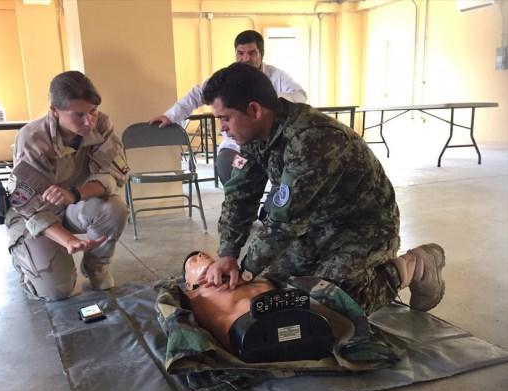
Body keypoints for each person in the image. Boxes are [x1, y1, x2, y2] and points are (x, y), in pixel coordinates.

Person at [197, 62, 446, 315]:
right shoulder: (256, 135)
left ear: (254, 110)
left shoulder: (312, 138)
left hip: (360, 230)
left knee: (330, 306)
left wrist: (245, 269)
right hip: (314, 227)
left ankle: (413, 265)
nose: (222, 128)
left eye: (225, 118)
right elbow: (240, 196)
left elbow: (284, 223)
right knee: (275, 289)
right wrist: (228, 254)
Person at [5, 71, 129, 301]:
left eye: (92, 111)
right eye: (78, 114)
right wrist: (69, 241)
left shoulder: (101, 125)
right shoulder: (32, 138)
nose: (88, 121)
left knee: (115, 208)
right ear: (54, 111)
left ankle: (96, 266)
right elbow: (31, 209)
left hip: (72, 204)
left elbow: (111, 176)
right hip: (33, 217)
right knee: (57, 291)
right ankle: (25, 259)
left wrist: (74, 194)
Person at [149, 30, 308, 184]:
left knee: (284, 180)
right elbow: (197, 94)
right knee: (231, 168)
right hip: (238, 149)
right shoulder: (228, 77)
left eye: (252, 53)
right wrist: (170, 115)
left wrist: (269, 102)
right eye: (240, 53)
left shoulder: (276, 76)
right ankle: (238, 200)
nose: (246, 58)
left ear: (261, 54)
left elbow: (300, 95)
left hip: (270, 145)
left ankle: (272, 205)